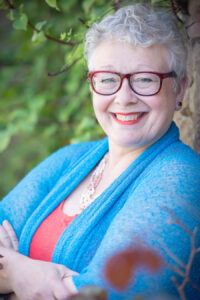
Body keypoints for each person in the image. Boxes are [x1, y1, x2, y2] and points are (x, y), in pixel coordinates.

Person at [0, 3, 200, 300]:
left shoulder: (184, 175)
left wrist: (13, 271)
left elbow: (104, 293)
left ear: (180, 89)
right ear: (92, 86)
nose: (124, 98)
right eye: (108, 79)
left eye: (145, 79)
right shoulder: (70, 159)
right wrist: (22, 273)